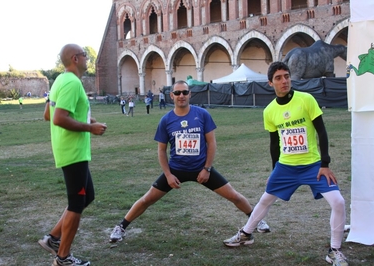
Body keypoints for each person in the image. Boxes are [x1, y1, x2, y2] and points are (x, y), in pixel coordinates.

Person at [109, 80, 270, 243]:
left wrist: (207, 169)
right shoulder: (166, 120)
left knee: (234, 196)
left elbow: (212, 143)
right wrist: (168, 175)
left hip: (201, 169)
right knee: (147, 199)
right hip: (175, 170)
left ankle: (256, 220)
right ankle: (120, 227)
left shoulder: (202, 114)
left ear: (190, 94)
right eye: (177, 93)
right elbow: (161, 150)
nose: (181, 96)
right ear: (171, 96)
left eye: (185, 92)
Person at [223, 62, 348, 266]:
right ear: (270, 83)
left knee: (338, 202)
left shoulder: (306, 99)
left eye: (287, 76)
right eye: (279, 78)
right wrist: (275, 170)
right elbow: (274, 143)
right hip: (286, 167)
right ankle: (245, 234)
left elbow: (322, 132)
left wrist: (325, 163)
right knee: (265, 200)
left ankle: (334, 251)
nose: (284, 81)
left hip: (313, 165)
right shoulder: (269, 111)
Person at [38, 44, 107, 266]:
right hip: (72, 152)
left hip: (73, 151)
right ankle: (63, 258)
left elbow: (48, 113)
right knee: (77, 203)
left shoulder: (60, 80)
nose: (88, 60)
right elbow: (57, 118)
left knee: (87, 197)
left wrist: (86, 120)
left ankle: (53, 238)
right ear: (76, 58)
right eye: (85, 56)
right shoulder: (72, 82)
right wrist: (90, 128)